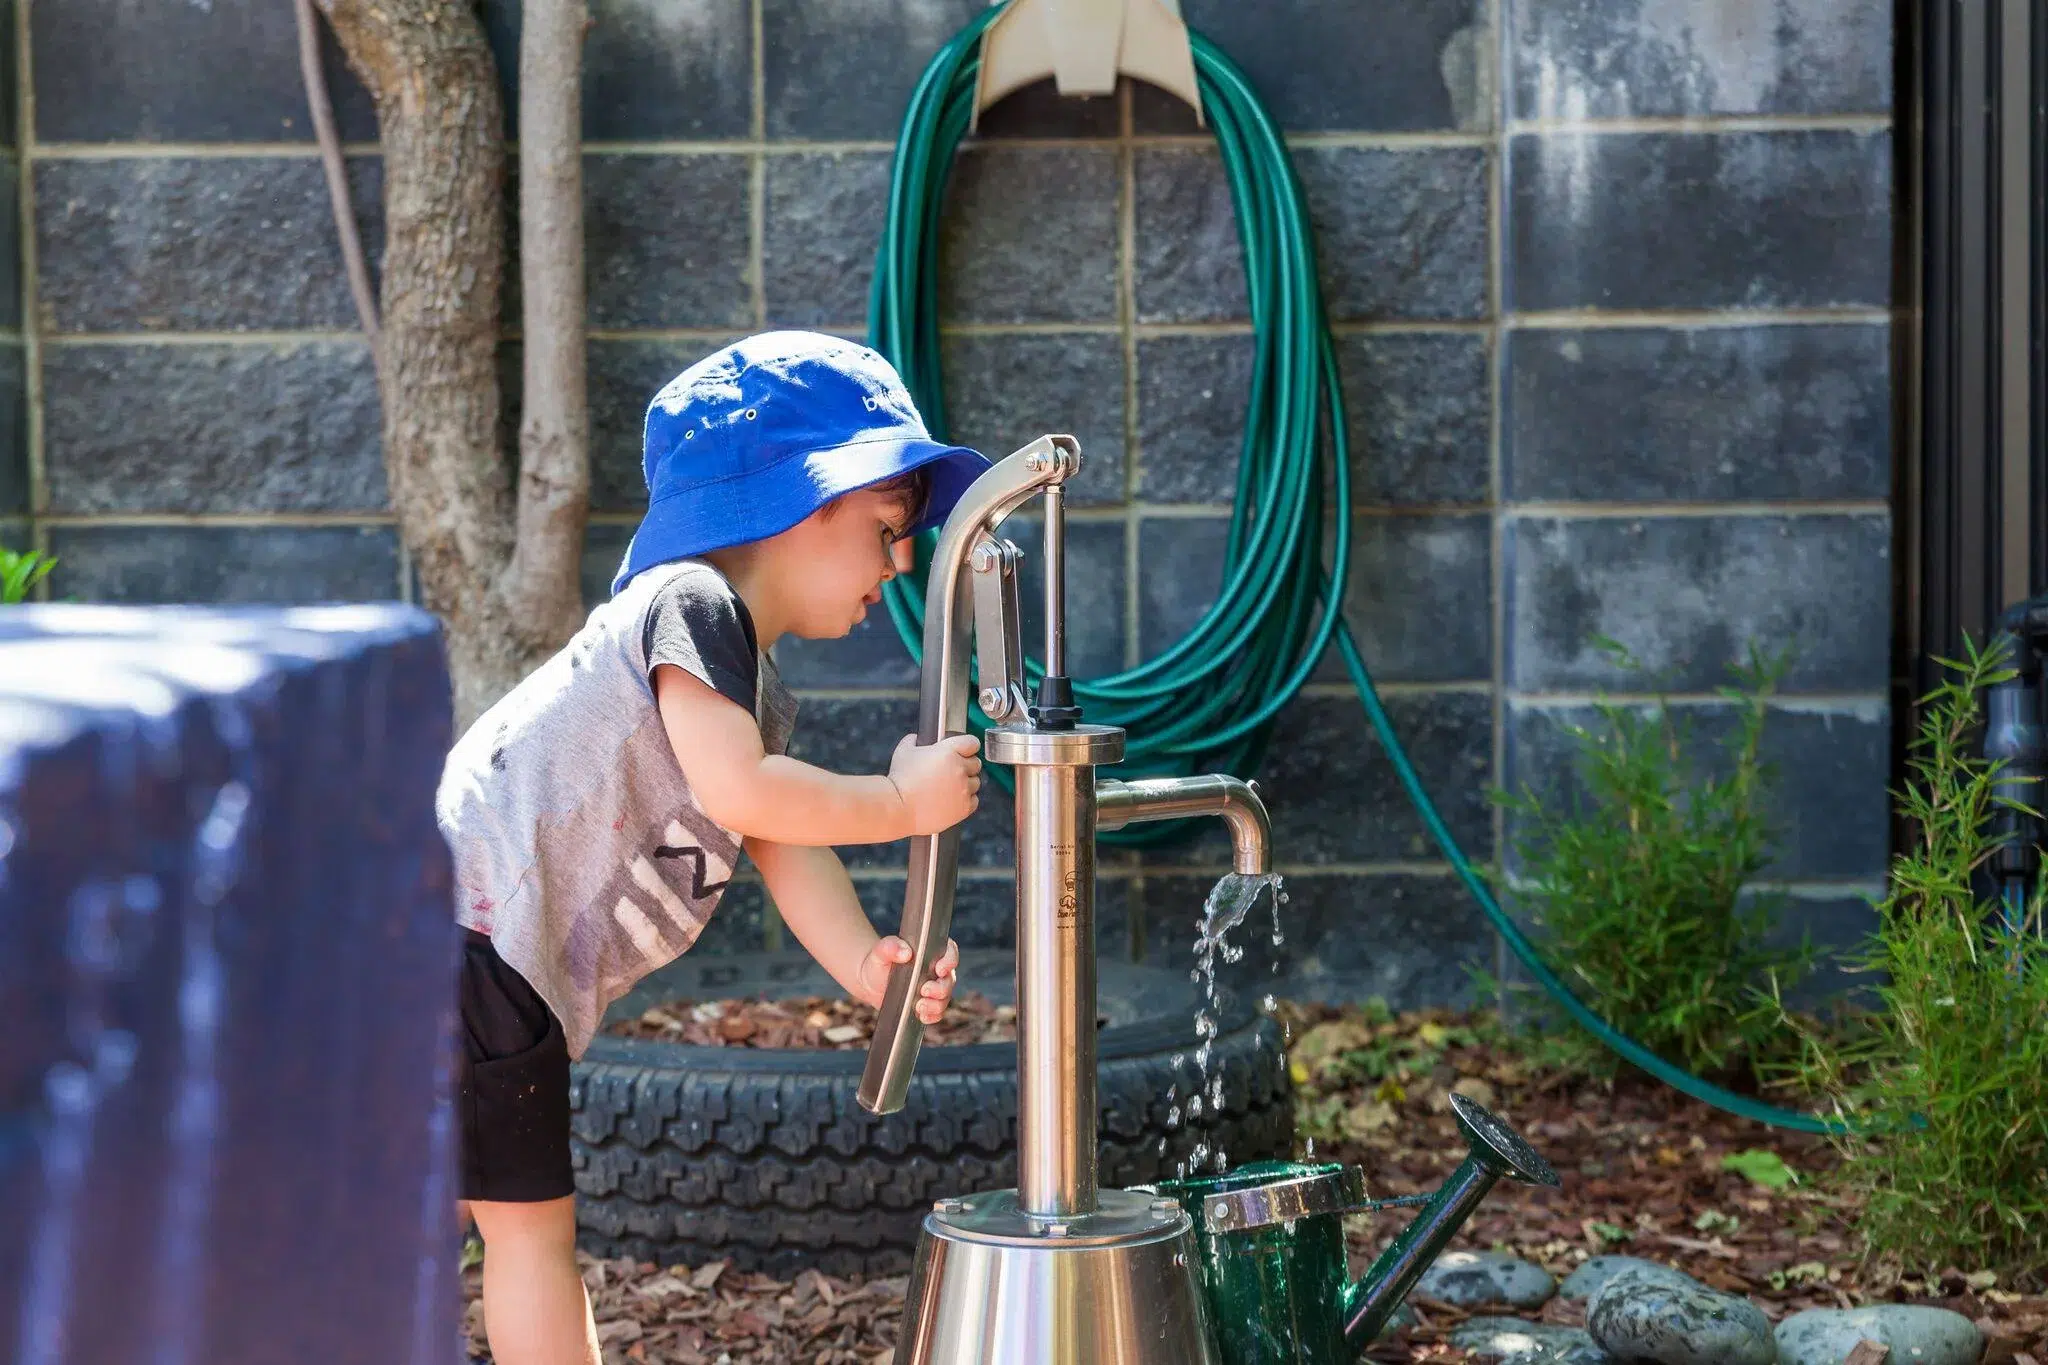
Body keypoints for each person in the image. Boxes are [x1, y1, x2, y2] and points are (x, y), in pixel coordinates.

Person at [437, 331, 991, 1365]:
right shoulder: (688, 607)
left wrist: (863, 966)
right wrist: (899, 799)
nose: (902, 561)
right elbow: (746, 793)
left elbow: (777, 837)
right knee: (525, 1232)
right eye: (885, 526)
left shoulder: (740, 679)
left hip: (473, 957)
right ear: (807, 500)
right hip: (463, 945)